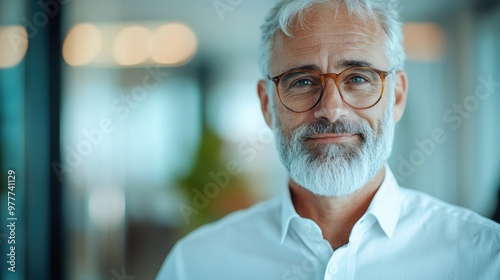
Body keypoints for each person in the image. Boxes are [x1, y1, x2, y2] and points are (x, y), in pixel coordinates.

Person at [157, 0, 500, 279]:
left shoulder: (484, 256)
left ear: (396, 97)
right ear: (267, 105)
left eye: (358, 78)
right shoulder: (196, 265)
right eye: (303, 81)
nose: (332, 110)